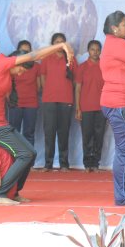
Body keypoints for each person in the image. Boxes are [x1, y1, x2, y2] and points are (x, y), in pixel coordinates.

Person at [0, 41, 74, 202]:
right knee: (25, 154)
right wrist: (60, 46)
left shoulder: (7, 73)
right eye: (21, 70)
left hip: (0, 124)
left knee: (30, 153)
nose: (21, 74)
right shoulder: (1, 63)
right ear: (17, 61)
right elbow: (35, 55)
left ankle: (13, 192)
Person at [40, 32, 77, 171]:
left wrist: (66, 90)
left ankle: (64, 164)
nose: (59, 44)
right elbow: (42, 77)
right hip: (49, 100)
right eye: (57, 41)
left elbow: (75, 80)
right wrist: (49, 91)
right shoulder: (46, 58)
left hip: (66, 100)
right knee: (49, 133)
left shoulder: (71, 58)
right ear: (52, 44)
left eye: (62, 41)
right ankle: (48, 164)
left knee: (63, 132)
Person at [75, 40, 106, 172]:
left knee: (99, 137)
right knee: (87, 137)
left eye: (98, 50)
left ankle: (96, 163)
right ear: (88, 51)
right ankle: (87, 164)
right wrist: (78, 108)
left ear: (100, 51)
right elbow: (78, 89)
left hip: (102, 108)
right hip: (86, 108)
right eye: (93, 49)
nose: (95, 52)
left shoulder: (104, 67)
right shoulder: (82, 67)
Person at [6, 40, 40, 151]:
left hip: (31, 104)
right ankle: (14, 158)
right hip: (15, 103)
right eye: (23, 51)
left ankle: (28, 159)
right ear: (18, 52)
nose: (25, 53)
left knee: (29, 133)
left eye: (28, 51)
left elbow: (39, 86)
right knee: (14, 132)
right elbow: (6, 83)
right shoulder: (13, 66)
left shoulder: (36, 66)